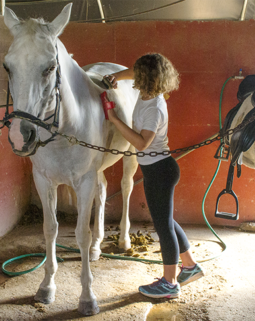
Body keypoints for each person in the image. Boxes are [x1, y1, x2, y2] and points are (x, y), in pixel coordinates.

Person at [103, 53, 205, 299]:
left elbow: (140, 143)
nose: (134, 76)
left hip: (160, 171)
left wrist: (114, 119)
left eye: (138, 74)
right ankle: (190, 266)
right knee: (166, 221)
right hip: (156, 169)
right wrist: (115, 76)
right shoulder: (147, 92)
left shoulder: (154, 108)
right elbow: (132, 71)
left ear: (146, 79)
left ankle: (169, 284)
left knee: (163, 227)